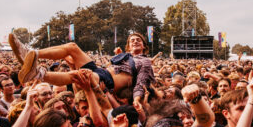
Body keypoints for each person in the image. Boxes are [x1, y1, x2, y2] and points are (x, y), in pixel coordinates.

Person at [9, 32, 155, 107]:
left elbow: (141, 84)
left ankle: (36, 74)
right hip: (101, 71)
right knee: (72, 47)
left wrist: (137, 99)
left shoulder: (145, 61)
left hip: (107, 82)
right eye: (132, 40)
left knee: (80, 75)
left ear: (144, 46)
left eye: (139, 40)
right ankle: (31, 53)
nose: (135, 41)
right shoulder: (125, 56)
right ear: (128, 46)